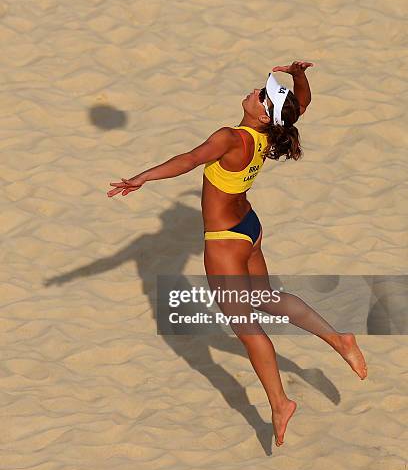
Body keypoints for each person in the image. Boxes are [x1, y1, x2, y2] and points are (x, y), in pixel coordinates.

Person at [107, 61, 367, 446]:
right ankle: (339, 339)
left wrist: (143, 177)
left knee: (246, 327)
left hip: (226, 239)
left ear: (263, 113)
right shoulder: (272, 129)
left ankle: (280, 403)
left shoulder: (230, 137)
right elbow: (302, 104)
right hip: (251, 228)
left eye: (263, 94)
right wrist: (298, 75)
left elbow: (189, 160)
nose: (256, 91)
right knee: (265, 298)